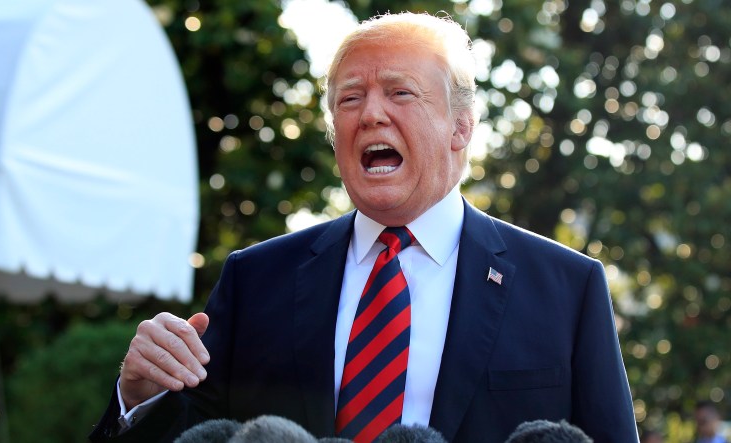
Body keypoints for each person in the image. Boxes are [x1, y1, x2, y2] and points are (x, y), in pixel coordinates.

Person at [89, 12, 638, 443]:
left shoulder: (567, 288)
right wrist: (139, 399)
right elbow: (193, 434)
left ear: (461, 127)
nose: (370, 114)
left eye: (400, 92)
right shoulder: (255, 280)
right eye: (350, 98)